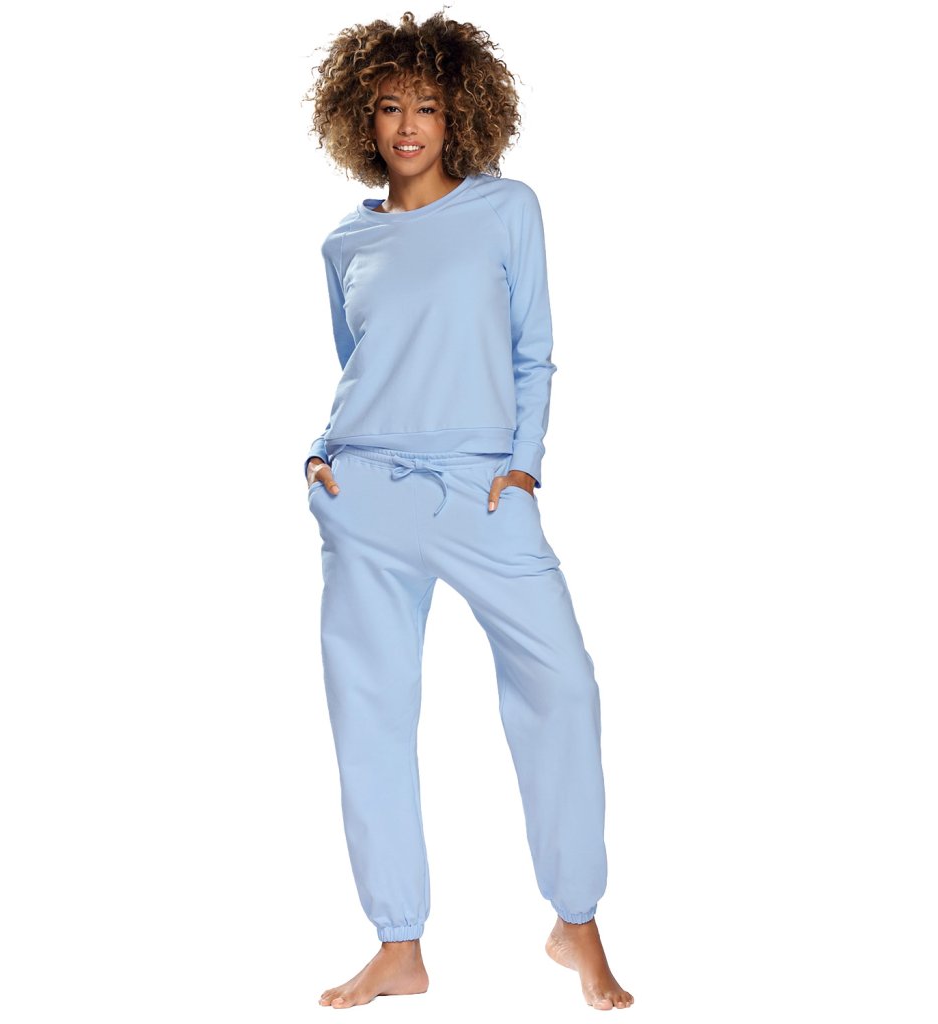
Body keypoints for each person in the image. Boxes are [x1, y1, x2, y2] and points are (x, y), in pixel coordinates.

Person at [301, 11, 634, 1012]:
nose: (408, 126)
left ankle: (575, 922)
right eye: (389, 107)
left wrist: (522, 470)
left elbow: (533, 351)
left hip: (483, 490)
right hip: (361, 493)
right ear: (361, 119)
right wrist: (321, 458)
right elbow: (363, 365)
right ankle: (398, 944)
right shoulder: (344, 241)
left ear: (460, 114)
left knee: (562, 688)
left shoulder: (505, 210)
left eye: (428, 106)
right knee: (370, 717)